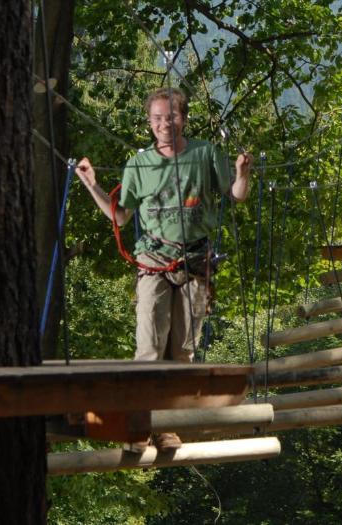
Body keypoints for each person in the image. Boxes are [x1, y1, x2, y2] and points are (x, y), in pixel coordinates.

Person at [76, 87, 251, 452]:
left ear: (183, 118)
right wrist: (91, 185)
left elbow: (235, 195)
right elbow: (120, 217)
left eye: (170, 117)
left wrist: (240, 173)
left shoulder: (205, 155)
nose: (163, 124)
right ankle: (138, 428)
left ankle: (166, 427)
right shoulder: (139, 164)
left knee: (183, 351)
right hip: (153, 262)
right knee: (149, 348)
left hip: (196, 265)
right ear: (149, 123)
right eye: (156, 118)